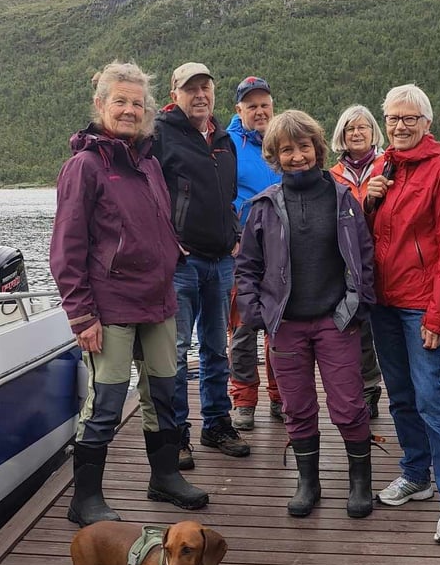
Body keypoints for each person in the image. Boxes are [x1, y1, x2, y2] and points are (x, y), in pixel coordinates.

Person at [50, 60, 209, 522]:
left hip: (159, 302)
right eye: (119, 101)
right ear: (100, 104)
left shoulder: (150, 164)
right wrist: (82, 316)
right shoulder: (83, 167)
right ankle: (85, 500)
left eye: (137, 103)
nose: (129, 110)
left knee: (164, 391)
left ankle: (163, 476)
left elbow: (159, 228)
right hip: (110, 307)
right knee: (107, 400)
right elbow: (66, 248)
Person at [235, 110, 376, 519]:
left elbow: (363, 258)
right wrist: (256, 312)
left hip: (336, 319)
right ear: (275, 156)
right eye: (286, 150)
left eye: (303, 147)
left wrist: (355, 306)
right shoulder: (262, 206)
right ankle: (307, 482)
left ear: (317, 148)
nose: (297, 156)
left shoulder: (343, 199)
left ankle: (359, 481)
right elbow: (247, 268)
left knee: (349, 405)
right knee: (297, 406)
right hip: (286, 326)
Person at [364, 84, 440, 545]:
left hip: (419, 306)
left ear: (427, 123)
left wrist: (437, 315)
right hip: (384, 304)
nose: (401, 126)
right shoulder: (384, 166)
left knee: (431, 399)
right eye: (393, 118)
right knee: (401, 396)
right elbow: (372, 238)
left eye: (410, 118)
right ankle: (416, 474)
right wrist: (369, 199)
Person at [152, 62, 250, 468]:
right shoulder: (159, 134)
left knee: (215, 349)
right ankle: (176, 436)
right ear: (175, 94)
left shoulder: (223, 139)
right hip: (182, 265)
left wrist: (235, 233)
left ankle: (216, 423)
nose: (200, 96)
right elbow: (149, 196)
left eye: (206, 88)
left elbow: (226, 196)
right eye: (191, 89)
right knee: (174, 353)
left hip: (220, 262)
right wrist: (168, 242)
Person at [226, 76, 282, 431]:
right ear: (239, 110)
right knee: (243, 329)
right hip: (242, 253)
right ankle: (244, 400)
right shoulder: (226, 144)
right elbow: (218, 195)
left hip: (281, 252)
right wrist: (231, 236)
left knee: (281, 328)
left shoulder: (282, 140)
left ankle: (281, 397)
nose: (259, 111)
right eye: (252, 106)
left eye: (264, 105)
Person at [329, 105, 386, 419]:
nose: (357, 133)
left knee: (388, 329)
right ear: (342, 135)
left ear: (373, 131)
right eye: (350, 128)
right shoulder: (333, 176)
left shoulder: (388, 165)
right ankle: (368, 391)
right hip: (350, 264)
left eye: (363, 127)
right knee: (359, 330)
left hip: (387, 261)